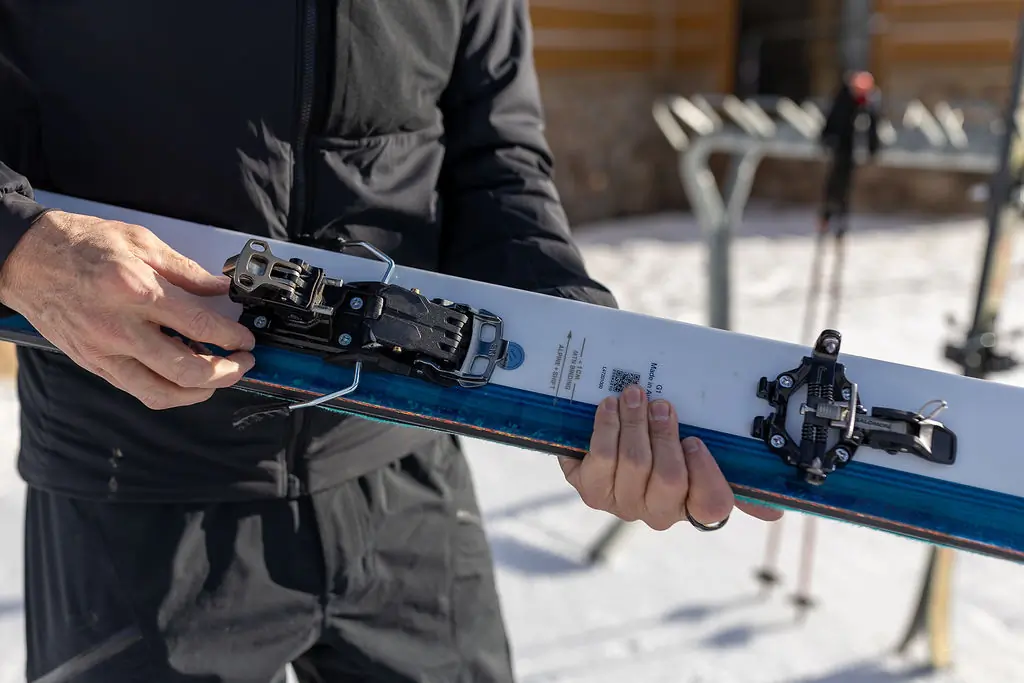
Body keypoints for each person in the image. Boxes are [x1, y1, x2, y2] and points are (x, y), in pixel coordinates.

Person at [0, 2, 780, 681]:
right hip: (131, 476)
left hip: (403, 463)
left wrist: (585, 358)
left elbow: (493, 166)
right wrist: (20, 246)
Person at [818, 70, 882, 236]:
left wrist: (873, 148)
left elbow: (873, 128)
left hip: (853, 149)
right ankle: (827, 215)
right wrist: (827, 139)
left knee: (845, 185)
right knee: (833, 183)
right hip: (839, 146)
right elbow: (832, 121)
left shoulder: (868, 103)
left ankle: (840, 218)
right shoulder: (842, 100)